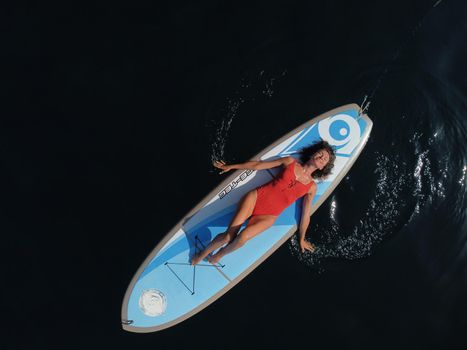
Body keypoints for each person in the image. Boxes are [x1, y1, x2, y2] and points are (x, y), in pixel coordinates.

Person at [191, 139, 336, 265]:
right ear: (313, 153)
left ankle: (220, 254)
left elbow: (306, 214)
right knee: (229, 236)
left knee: (242, 238)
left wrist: (302, 238)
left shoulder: (311, 187)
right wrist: (232, 166)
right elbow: (258, 166)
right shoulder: (290, 162)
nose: (322, 157)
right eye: (321, 154)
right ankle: (201, 255)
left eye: (325, 159)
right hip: (255, 198)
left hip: (269, 215)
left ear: (323, 167)